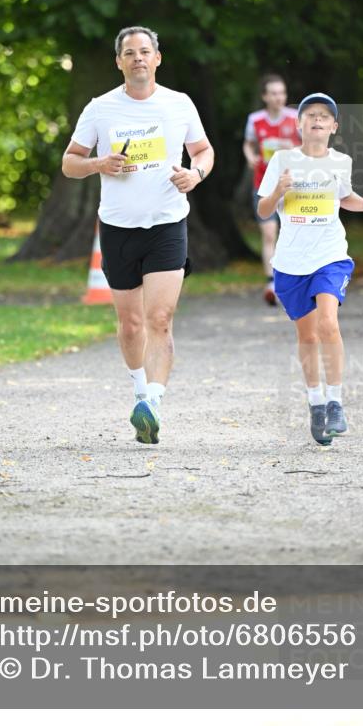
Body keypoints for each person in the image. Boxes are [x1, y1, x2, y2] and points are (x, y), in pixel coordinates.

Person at [62, 25, 214, 444]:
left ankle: (154, 403)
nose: (138, 59)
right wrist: (99, 165)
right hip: (118, 228)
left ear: (158, 58)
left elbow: (203, 150)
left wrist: (195, 174)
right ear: (119, 62)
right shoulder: (100, 109)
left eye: (145, 51)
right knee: (130, 325)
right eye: (129, 53)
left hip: (167, 223)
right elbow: (69, 162)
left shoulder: (179, 104)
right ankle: (139, 392)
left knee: (159, 319)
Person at [257, 93, 363, 446]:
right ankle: (316, 403)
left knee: (328, 323)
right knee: (307, 336)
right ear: (298, 124)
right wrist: (279, 188)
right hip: (291, 262)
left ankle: (336, 402)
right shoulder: (281, 160)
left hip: (330, 254)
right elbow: (264, 210)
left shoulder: (341, 162)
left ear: (334, 127)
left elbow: (344, 197)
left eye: (324, 116)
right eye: (310, 115)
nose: (317, 120)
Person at [243, 75, 301, 305]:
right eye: (274, 93)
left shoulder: (295, 118)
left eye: (282, 93)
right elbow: (248, 144)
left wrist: (293, 147)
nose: (279, 97)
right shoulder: (255, 120)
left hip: (292, 186)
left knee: (293, 233)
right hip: (264, 184)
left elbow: (310, 147)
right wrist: (250, 157)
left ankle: (293, 281)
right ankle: (271, 283)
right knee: (269, 233)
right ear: (265, 97)